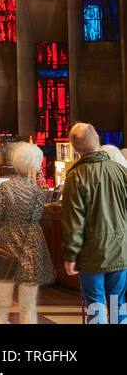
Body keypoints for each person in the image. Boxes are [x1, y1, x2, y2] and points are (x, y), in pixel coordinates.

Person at [61, 122, 127, 324]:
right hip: (120, 250)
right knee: (117, 305)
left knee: (96, 305)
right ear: (97, 141)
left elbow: (74, 220)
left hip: (91, 254)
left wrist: (71, 255)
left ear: (75, 148)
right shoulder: (119, 171)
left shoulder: (75, 176)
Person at [0, 142, 54, 325]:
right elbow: (38, 215)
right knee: (28, 305)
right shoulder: (40, 190)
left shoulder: (5, 187)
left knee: (0, 305)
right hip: (31, 246)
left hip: (7, 245)